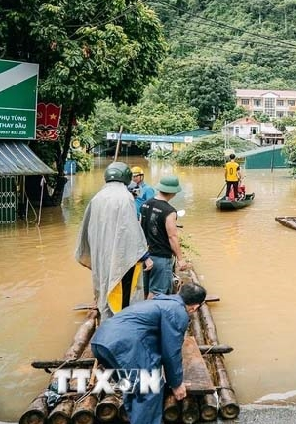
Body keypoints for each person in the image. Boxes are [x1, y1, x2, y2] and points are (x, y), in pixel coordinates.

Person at [90, 282, 207, 424]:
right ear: (195, 307)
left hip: (100, 342)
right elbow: (171, 352)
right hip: (123, 346)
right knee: (151, 387)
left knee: (133, 385)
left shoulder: (160, 301)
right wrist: (176, 383)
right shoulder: (177, 311)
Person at [75, 162, 151, 320]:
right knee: (123, 293)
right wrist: (145, 256)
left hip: (102, 253)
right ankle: (122, 323)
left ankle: (107, 320)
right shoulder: (125, 197)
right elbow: (131, 231)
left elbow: (87, 230)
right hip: (121, 257)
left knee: (105, 284)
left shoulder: (97, 198)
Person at [139, 175, 189, 298]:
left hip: (146, 255)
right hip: (161, 257)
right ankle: (150, 315)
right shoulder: (169, 211)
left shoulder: (145, 205)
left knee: (147, 290)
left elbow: (139, 229)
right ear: (173, 192)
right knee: (157, 292)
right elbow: (172, 236)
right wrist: (180, 258)